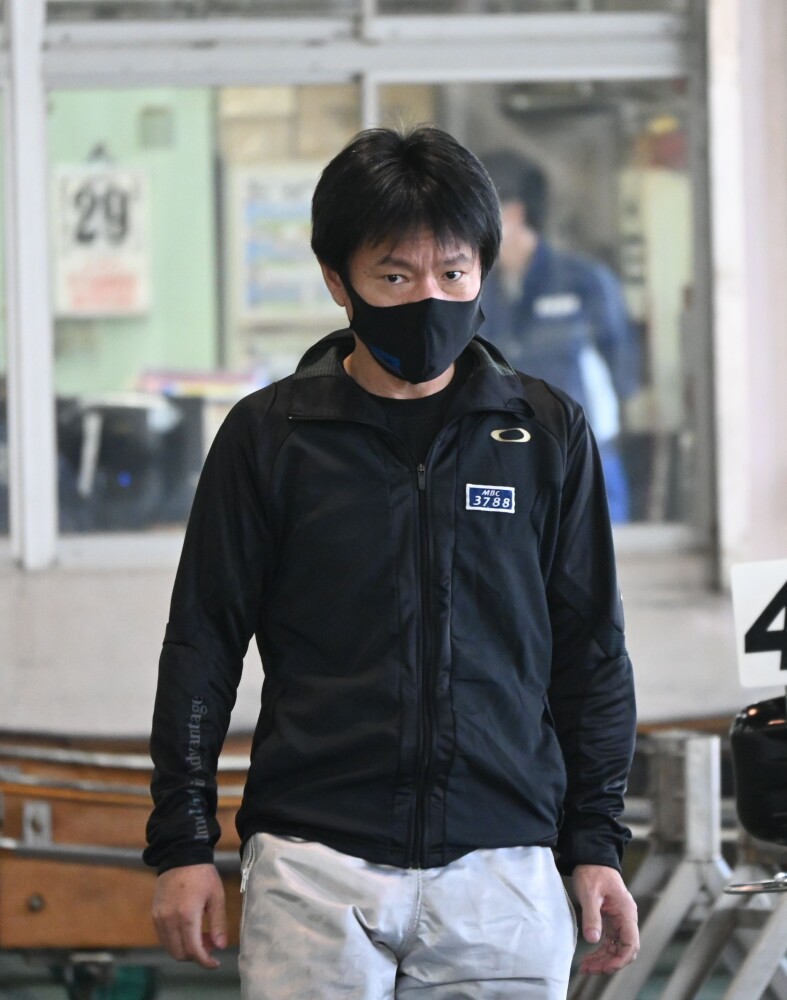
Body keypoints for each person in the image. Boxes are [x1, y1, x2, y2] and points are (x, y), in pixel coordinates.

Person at [144, 125, 638, 1000]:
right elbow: (201, 646)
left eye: (452, 272)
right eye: (395, 277)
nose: (429, 298)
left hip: (503, 864)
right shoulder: (270, 438)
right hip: (313, 862)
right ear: (338, 281)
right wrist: (182, 843)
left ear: (483, 271)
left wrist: (594, 843)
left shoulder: (544, 434)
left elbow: (590, 651)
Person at [480, 151, 640, 523]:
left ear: (513, 215)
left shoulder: (585, 283)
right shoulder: (477, 291)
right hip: (504, 463)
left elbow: (624, 370)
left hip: (584, 458)